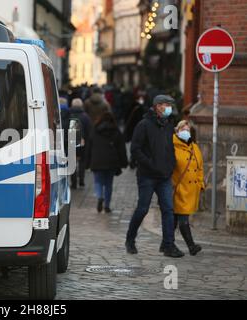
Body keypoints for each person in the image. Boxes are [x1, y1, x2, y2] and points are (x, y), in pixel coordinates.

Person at [125, 95, 185, 258]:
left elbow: (170, 148)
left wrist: (171, 164)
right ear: (157, 106)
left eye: (169, 105)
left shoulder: (168, 125)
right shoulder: (143, 125)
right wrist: (150, 164)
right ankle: (130, 239)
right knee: (143, 209)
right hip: (147, 176)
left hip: (164, 176)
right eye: (166, 105)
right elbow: (135, 149)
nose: (169, 108)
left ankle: (168, 245)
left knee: (168, 210)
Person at [159, 120, 204, 255]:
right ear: (177, 131)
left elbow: (200, 167)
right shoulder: (171, 147)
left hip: (191, 190)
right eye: (183, 129)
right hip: (178, 189)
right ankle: (191, 247)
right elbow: (166, 168)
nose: (186, 132)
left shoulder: (194, 147)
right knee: (183, 218)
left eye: (188, 130)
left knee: (174, 218)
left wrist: (201, 183)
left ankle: (165, 244)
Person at [86, 111, 127, 213]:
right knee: (109, 184)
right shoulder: (116, 131)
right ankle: (107, 206)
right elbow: (121, 148)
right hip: (111, 162)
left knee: (98, 182)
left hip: (97, 161)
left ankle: (100, 197)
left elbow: (89, 147)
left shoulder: (95, 130)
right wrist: (124, 162)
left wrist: (87, 162)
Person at [69, 98, 91, 189]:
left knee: (72, 161)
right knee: (82, 161)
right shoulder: (85, 116)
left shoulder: (69, 115)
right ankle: (81, 180)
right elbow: (89, 130)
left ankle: (73, 183)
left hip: (71, 141)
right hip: (82, 141)